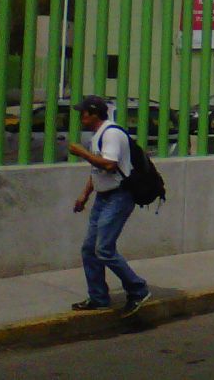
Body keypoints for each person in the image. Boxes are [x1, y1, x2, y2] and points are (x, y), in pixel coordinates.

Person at [68, 95, 151, 316]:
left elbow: (109, 165)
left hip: (119, 196)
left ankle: (138, 290)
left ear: (94, 113)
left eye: (83, 112)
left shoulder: (111, 134)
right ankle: (98, 298)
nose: (80, 117)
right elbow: (97, 171)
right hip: (104, 197)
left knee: (104, 249)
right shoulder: (98, 135)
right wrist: (84, 195)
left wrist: (81, 152)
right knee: (89, 249)